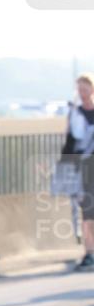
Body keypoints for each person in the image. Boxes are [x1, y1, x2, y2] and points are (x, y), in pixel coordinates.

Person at [61, 72, 94, 272]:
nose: (82, 93)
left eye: (85, 88)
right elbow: (70, 144)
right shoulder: (76, 114)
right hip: (84, 168)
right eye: (79, 89)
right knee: (87, 212)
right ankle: (90, 252)